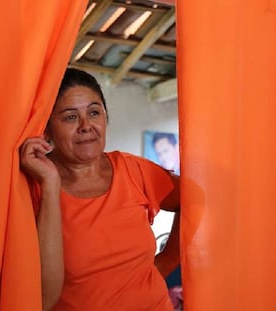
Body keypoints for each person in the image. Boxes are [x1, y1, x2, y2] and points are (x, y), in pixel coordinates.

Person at [20, 68, 180, 310]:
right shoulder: (30, 187)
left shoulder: (133, 169)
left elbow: (192, 200)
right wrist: (51, 185)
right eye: (70, 117)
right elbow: (42, 299)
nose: (86, 126)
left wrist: (166, 263)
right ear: (46, 128)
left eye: (94, 112)